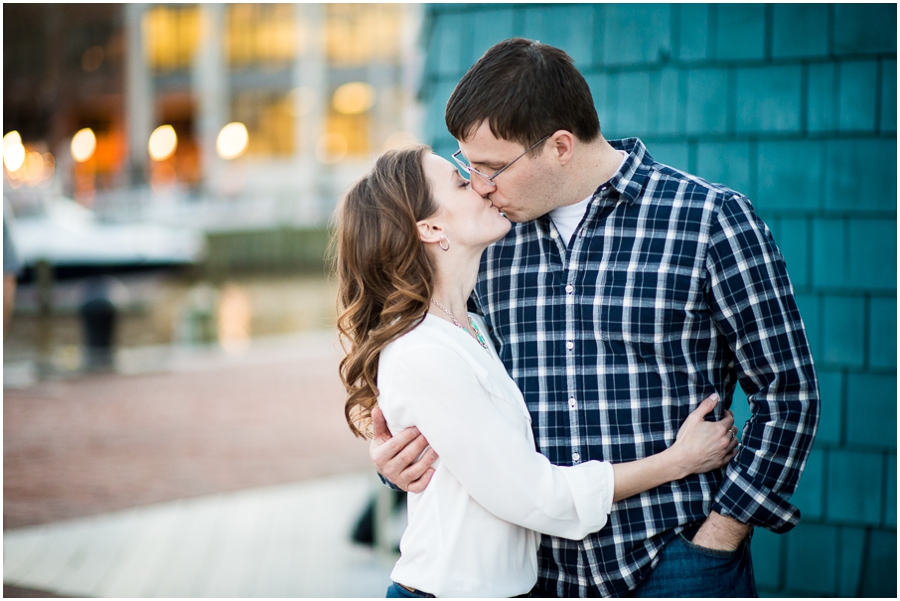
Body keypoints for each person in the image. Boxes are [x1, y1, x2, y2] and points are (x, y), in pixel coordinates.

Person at [371, 38, 820, 598]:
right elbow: (444, 380)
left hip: (676, 559)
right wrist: (393, 457)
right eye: (469, 168)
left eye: (492, 167)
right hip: (536, 575)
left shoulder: (708, 221)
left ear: (560, 146)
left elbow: (789, 391)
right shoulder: (485, 242)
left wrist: (722, 534)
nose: (481, 185)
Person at [335, 145, 740, 598]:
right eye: (461, 182)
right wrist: (676, 462)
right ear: (430, 227)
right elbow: (537, 496)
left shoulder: (473, 328)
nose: (482, 185)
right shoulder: (420, 351)